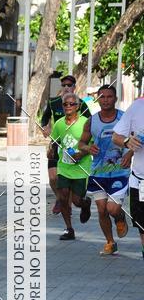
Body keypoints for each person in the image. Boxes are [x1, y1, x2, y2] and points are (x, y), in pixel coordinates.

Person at [78, 85, 131, 255]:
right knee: (101, 209)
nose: (106, 100)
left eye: (109, 96)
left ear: (115, 99)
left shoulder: (124, 118)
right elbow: (81, 143)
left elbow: (138, 138)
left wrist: (129, 154)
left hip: (120, 171)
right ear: (97, 99)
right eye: (102, 97)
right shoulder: (91, 121)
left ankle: (120, 217)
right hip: (98, 172)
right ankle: (110, 242)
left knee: (112, 209)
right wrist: (88, 148)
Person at [42, 73, 90, 215]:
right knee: (52, 177)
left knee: (69, 188)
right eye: (64, 85)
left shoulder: (81, 104)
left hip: (74, 147)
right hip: (57, 143)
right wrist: (46, 127)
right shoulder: (53, 102)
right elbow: (44, 119)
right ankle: (59, 199)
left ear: (75, 87)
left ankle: (69, 206)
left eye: (70, 85)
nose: (66, 87)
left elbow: (91, 123)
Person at [48, 90, 92, 240]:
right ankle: (69, 229)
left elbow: (91, 146)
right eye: (65, 104)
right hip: (64, 167)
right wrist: (50, 150)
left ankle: (85, 204)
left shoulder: (85, 123)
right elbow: (54, 141)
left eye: (71, 104)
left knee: (76, 201)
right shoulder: (59, 124)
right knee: (63, 197)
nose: (68, 106)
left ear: (78, 106)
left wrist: (80, 154)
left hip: (81, 168)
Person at [112, 93, 144, 260]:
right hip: (140, 181)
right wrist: (126, 142)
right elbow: (116, 136)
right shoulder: (137, 107)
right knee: (142, 226)